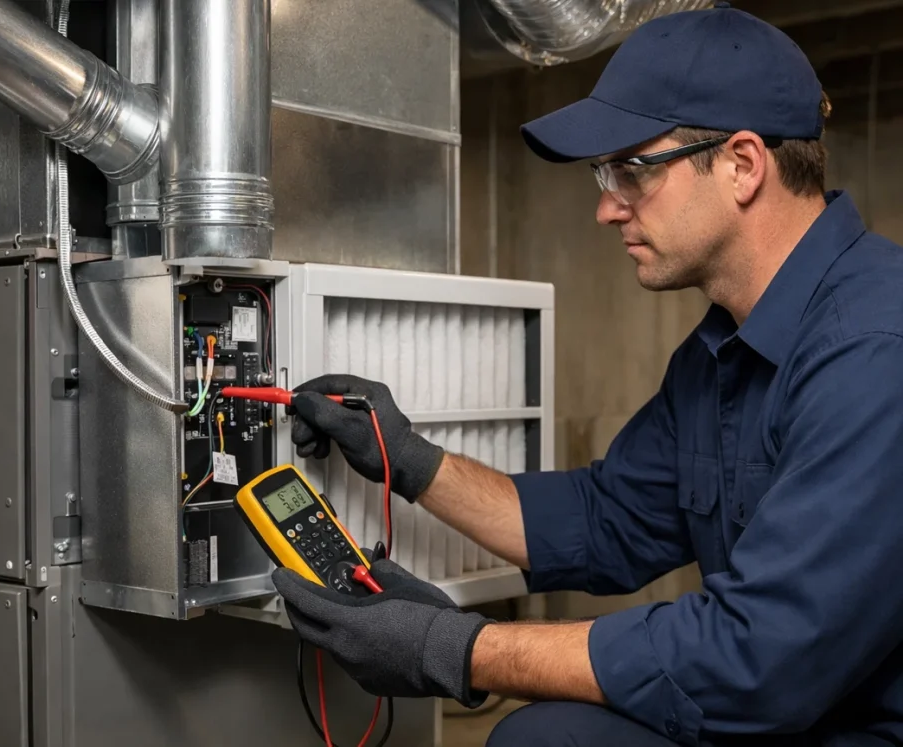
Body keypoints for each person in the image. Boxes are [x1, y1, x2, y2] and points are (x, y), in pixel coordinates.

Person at [270, 4, 903, 746]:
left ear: (741, 164)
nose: (607, 208)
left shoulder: (875, 347)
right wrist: (409, 459)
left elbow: (758, 656)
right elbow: (604, 521)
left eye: (631, 169)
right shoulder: (718, 356)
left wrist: (457, 647)